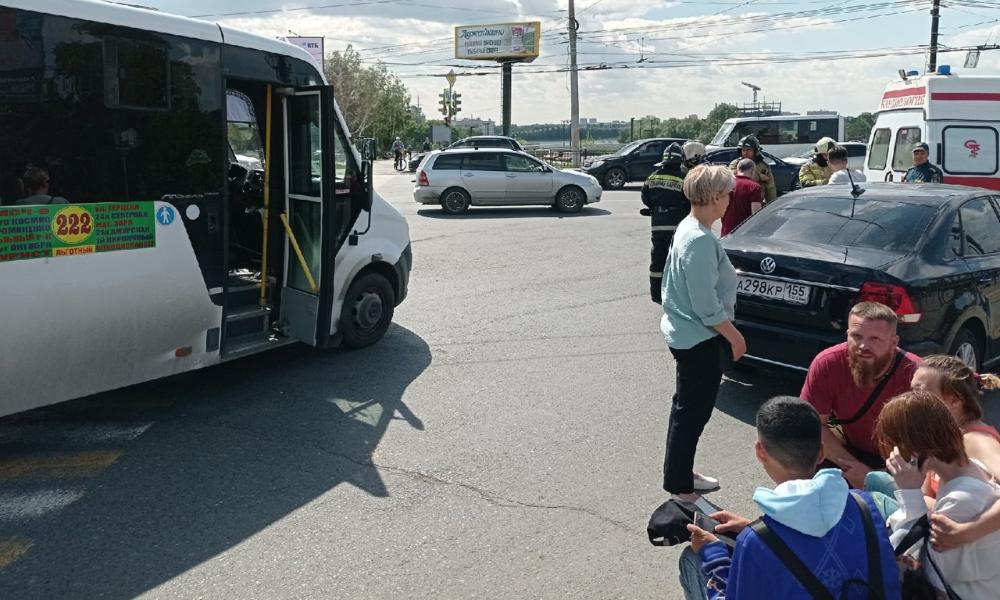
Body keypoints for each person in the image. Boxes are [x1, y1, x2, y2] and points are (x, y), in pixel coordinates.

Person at [680, 396, 900, 600]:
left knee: (691, 559)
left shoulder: (755, 542)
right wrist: (753, 528)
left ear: (760, 451)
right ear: (821, 453)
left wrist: (714, 553)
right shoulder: (866, 506)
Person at [660, 164, 744, 501]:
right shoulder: (697, 239)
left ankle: (681, 473)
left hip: (687, 334)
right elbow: (706, 306)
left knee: (686, 409)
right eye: (726, 195)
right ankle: (682, 488)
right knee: (692, 413)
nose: (729, 201)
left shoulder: (692, 228)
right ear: (712, 197)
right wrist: (735, 337)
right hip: (698, 338)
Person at [878, 391, 1000, 599]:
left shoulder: (959, 501)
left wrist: (909, 494)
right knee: (875, 484)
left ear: (909, 446)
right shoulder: (972, 468)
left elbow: (914, 564)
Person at [800, 302, 921, 488]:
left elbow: (930, 438)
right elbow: (813, 425)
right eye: (856, 336)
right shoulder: (827, 363)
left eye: (875, 339)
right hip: (851, 452)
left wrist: (876, 478)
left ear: (894, 342)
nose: (863, 346)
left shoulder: (916, 373)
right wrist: (852, 467)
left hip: (903, 460)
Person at [641, 142, 690, 304]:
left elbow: (645, 198)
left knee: (657, 259)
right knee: (676, 260)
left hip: (658, 225)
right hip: (677, 226)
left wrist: (654, 206)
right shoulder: (684, 177)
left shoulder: (653, 176)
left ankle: (656, 294)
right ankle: (675, 294)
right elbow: (689, 201)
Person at [728, 136, 775, 205]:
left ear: (755, 151)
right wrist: (759, 176)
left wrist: (771, 206)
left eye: (749, 150)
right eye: (743, 150)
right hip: (737, 202)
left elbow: (770, 188)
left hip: (756, 201)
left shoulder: (763, 167)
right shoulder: (735, 164)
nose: (745, 153)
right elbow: (729, 178)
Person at [721, 159, 761, 236]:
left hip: (726, 232)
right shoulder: (754, 187)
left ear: (738, 169)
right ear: (752, 171)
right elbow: (756, 215)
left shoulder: (726, 184)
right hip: (743, 234)